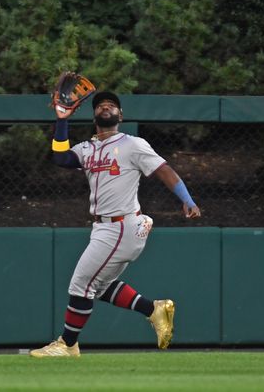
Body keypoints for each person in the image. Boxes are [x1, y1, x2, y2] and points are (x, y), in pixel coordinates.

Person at [29, 90, 202, 357]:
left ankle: (67, 344)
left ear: (120, 115)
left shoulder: (133, 144)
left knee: (80, 285)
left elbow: (164, 170)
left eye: (112, 105)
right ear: (95, 115)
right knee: (97, 287)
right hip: (105, 227)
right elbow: (60, 157)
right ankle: (153, 309)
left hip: (121, 225)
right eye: (101, 105)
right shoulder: (87, 148)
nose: (106, 106)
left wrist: (187, 199)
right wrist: (62, 119)